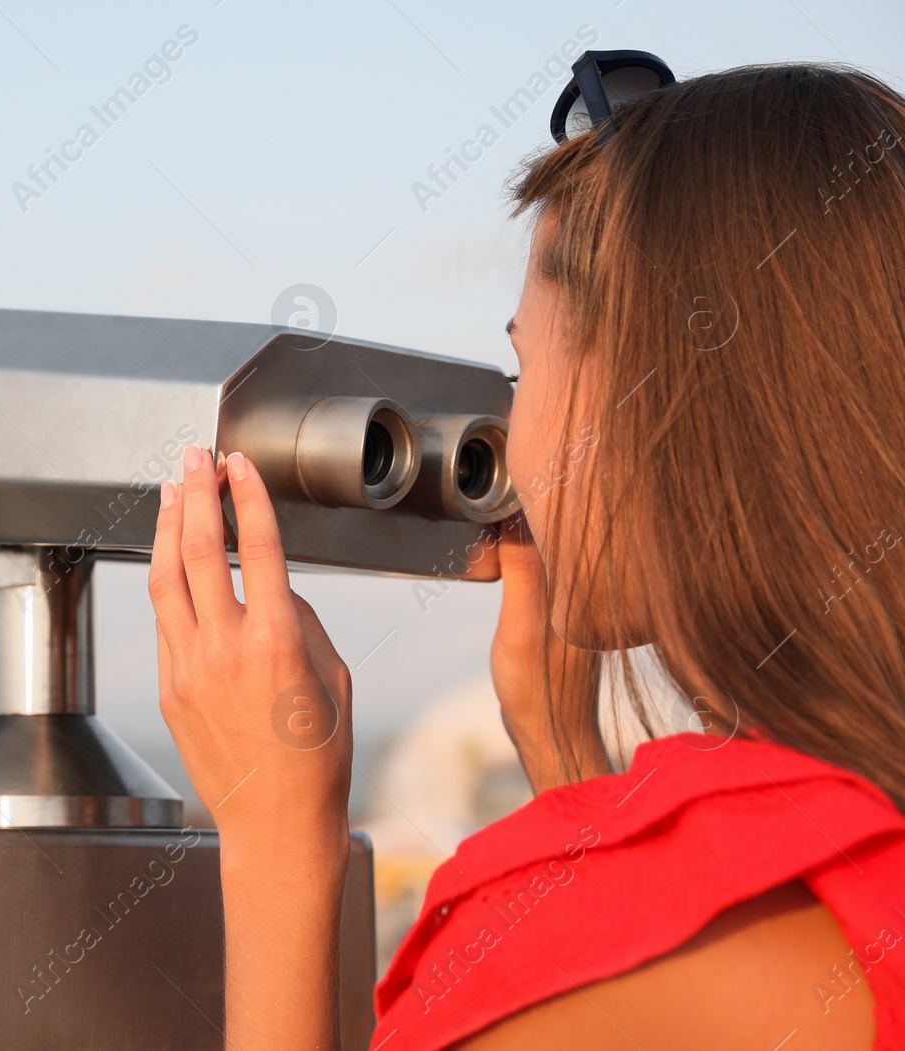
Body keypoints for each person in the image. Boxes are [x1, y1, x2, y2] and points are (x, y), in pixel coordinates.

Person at [150, 58, 905, 1049]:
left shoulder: (547, 957)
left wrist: (276, 845)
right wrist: (573, 775)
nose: (520, 437)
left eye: (525, 365)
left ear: (639, 390)